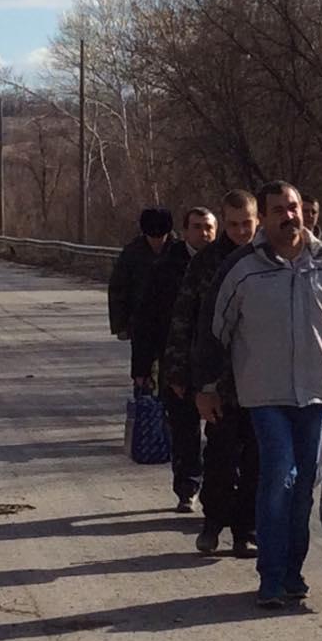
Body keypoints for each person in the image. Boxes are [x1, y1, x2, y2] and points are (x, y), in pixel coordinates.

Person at [194, 180, 322, 608]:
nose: (288, 216)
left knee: (304, 484)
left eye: (292, 207)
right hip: (265, 393)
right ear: (264, 217)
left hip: (315, 393)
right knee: (279, 474)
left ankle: (293, 573)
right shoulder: (243, 268)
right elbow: (213, 330)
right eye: (277, 210)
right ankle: (271, 577)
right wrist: (206, 387)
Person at [163, 190, 260, 556]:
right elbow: (185, 317)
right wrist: (178, 371)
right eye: (233, 224)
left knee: (256, 461)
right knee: (220, 457)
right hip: (219, 380)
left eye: (246, 224)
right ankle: (213, 521)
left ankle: (245, 530)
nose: (240, 231)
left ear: (258, 220)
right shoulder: (207, 263)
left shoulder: (270, 259)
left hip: (262, 379)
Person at [133, 207, 217, 513]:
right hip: (177, 362)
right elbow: (146, 321)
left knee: (221, 432)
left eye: (208, 227)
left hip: (218, 365)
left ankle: (218, 492)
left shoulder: (228, 263)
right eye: (197, 227)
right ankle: (187, 487)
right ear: (185, 231)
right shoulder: (166, 268)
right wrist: (142, 367)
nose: (204, 233)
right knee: (183, 429)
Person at [107, 207, 174, 386]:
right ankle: (143, 394)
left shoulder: (178, 251)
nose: (157, 240)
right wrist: (120, 325)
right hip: (141, 321)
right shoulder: (132, 253)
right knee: (142, 368)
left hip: (172, 322)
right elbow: (118, 289)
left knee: (171, 369)